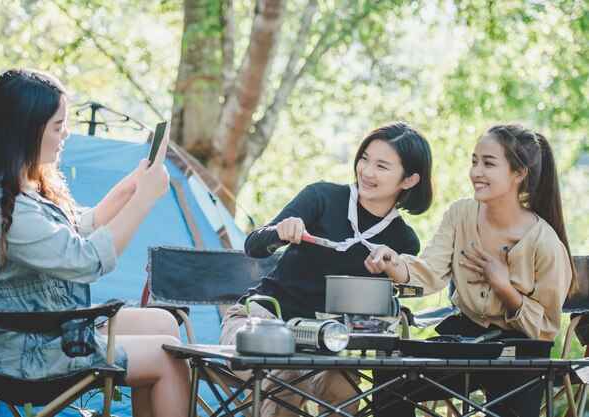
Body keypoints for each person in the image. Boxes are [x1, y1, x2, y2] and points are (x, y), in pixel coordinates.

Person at [0, 68, 190, 417]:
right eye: (58, 126)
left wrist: (131, 187)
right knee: (171, 357)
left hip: (40, 330)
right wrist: (144, 199)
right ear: (26, 129)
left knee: (163, 324)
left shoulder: (9, 182)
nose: (66, 134)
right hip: (24, 355)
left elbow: (76, 229)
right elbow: (84, 261)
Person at [220, 122, 434, 416]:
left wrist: (391, 265)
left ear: (409, 180)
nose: (367, 172)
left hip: (327, 340)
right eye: (364, 159)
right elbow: (254, 246)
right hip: (262, 321)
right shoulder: (322, 197)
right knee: (287, 376)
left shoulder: (402, 241)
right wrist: (280, 232)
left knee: (343, 386)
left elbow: (385, 307)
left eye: (382, 166)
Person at [368, 123, 578, 417]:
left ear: (519, 174)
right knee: (390, 379)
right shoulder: (460, 214)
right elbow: (430, 272)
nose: (476, 172)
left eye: (488, 163)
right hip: (464, 342)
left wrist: (504, 287)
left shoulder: (546, 244)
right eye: (474, 161)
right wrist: (395, 264)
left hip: (519, 354)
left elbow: (545, 328)